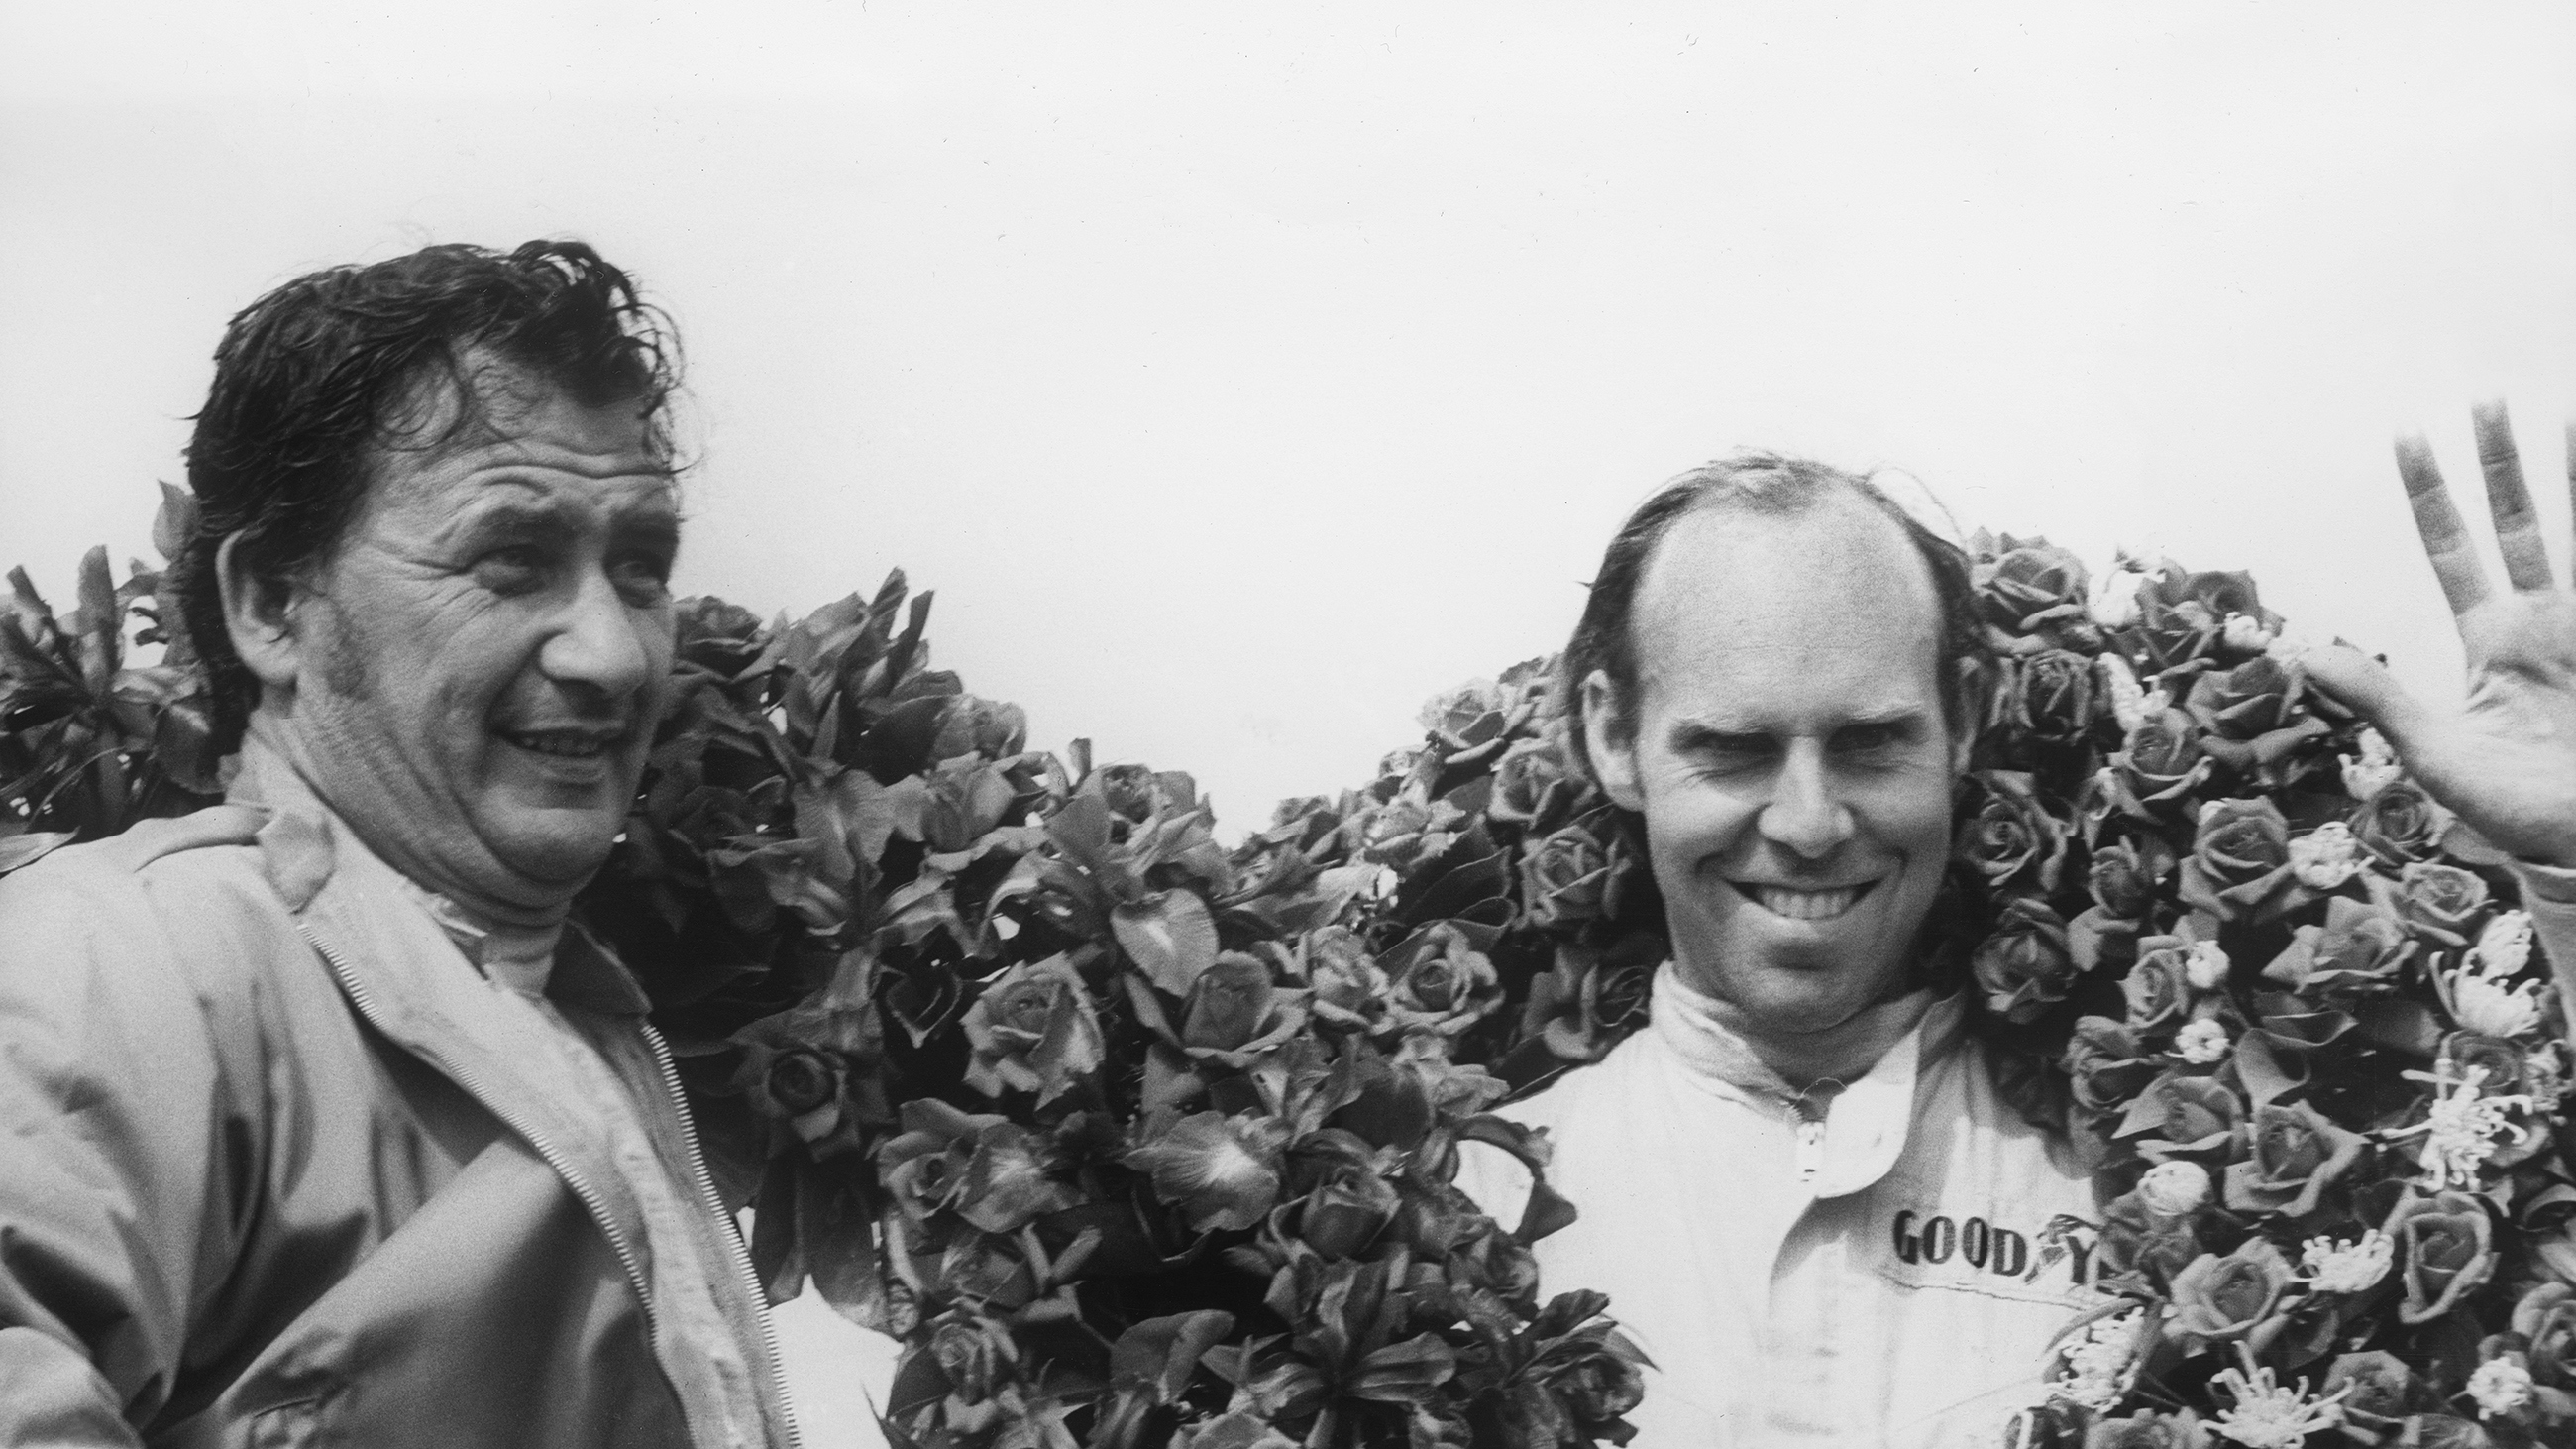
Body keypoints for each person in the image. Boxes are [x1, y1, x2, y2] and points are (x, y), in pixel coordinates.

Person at [1457, 423, 2576, 1445]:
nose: (1807, 823)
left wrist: (2567, 880)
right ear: (1612, 737)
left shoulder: (2168, 1178)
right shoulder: (1467, 1209)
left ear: (1963, 718)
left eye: (1870, 741)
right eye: (1733, 749)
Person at [0, 242, 798, 1447]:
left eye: (639, 568)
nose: (612, 654)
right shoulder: (134, 956)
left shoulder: (584, 1020)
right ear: (272, 605)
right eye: (511, 562)